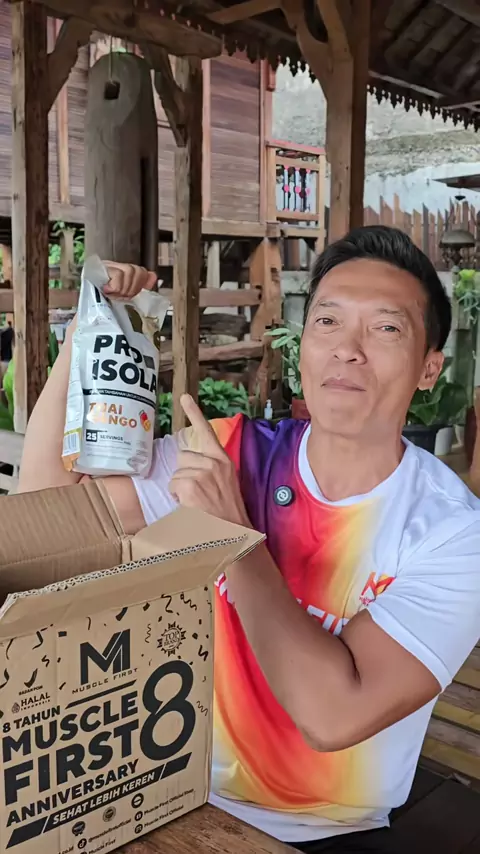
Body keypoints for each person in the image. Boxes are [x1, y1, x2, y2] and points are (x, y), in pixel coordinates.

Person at [19, 226, 480, 853]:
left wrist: (231, 538)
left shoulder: (455, 532)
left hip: (325, 828)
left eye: (385, 328)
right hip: (166, 791)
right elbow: (45, 513)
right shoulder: (228, 451)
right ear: (302, 348)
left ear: (429, 368)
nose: (347, 350)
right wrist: (84, 333)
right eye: (328, 322)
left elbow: (332, 716)